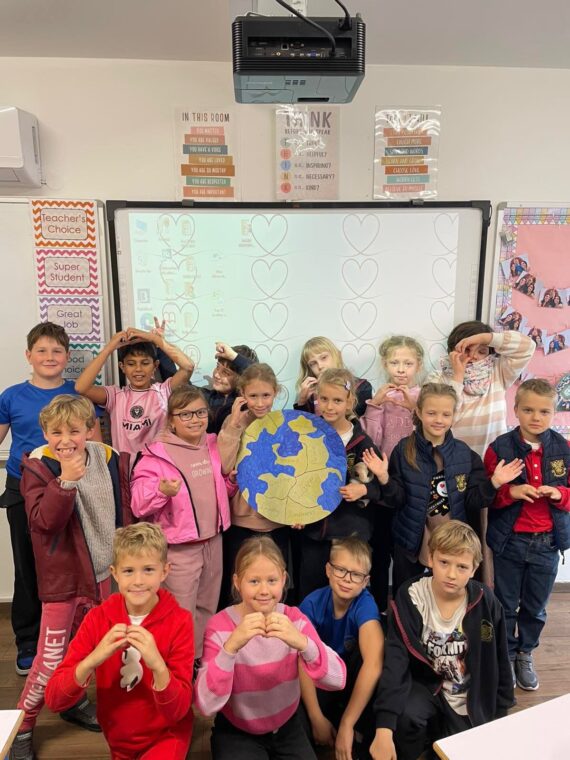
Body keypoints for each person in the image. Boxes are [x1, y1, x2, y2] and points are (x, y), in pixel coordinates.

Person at [10, 395, 131, 760]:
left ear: (89, 430)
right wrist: (64, 482)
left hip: (104, 576)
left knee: (91, 649)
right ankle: (21, 728)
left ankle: (73, 701)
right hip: (64, 582)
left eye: (74, 431)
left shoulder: (107, 457)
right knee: (49, 661)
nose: (66, 440)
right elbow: (43, 522)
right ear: (45, 432)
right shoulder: (39, 466)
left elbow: (122, 511)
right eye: (56, 432)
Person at [0, 322, 103, 677]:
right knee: (28, 566)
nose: (49, 357)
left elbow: (98, 446)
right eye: (41, 350)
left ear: (67, 356)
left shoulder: (81, 394)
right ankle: (29, 641)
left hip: (75, 488)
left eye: (57, 351)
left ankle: (73, 637)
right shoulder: (11, 396)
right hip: (24, 490)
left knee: (71, 566)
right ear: (28, 355)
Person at [45, 523, 194, 760]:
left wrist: (158, 665)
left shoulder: (180, 621)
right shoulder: (97, 619)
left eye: (148, 569)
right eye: (128, 571)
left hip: (167, 734)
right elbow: (54, 699)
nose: (138, 581)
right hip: (118, 737)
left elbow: (179, 709)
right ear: (114, 573)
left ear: (165, 571)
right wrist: (93, 659)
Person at [369, 521, 513, 760]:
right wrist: (384, 726)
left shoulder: (485, 601)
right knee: (407, 718)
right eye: (444, 562)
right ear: (431, 558)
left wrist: (501, 713)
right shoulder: (411, 596)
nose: (451, 574)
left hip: (469, 697)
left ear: (474, 569)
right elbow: (396, 660)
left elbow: (500, 657)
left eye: (462, 566)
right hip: (427, 688)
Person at [362, 383, 523, 596]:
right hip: (412, 543)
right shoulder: (403, 450)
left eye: (446, 414)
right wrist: (384, 477)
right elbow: (396, 500)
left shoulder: (465, 455)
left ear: (454, 416)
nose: (439, 420)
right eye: (431, 413)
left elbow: (473, 502)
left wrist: (494, 482)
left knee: (448, 597)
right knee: (408, 597)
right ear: (419, 412)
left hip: (452, 544)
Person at [194, 536, 346, 760]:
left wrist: (304, 644)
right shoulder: (219, 626)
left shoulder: (294, 619)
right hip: (237, 730)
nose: (264, 590)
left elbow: (338, 679)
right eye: (254, 581)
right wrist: (230, 648)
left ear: (283, 580)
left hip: (286, 726)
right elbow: (206, 705)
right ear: (237, 582)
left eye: (272, 580)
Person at [130, 385, 236, 664]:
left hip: (213, 541)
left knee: (207, 607)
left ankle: (197, 661)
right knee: (180, 613)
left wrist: (231, 482)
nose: (195, 419)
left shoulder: (212, 444)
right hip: (179, 549)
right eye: (185, 414)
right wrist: (160, 491)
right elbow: (138, 505)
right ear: (172, 420)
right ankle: (177, 665)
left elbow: (217, 490)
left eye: (200, 412)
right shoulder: (155, 454)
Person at [427, 320, 535, 585]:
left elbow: (527, 346)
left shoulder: (498, 371)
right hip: (452, 470)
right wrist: (457, 376)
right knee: (453, 537)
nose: (474, 357)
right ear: (454, 350)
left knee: (486, 538)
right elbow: (446, 418)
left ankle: (484, 594)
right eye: (468, 350)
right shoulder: (438, 378)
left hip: (493, 471)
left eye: (482, 351)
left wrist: (487, 337)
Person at [484, 378, 570, 691]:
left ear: (554, 413)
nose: (536, 417)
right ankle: (506, 653)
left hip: (547, 544)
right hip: (510, 542)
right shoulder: (499, 448)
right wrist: (512, 492)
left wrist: (559, 494)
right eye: (529, 410)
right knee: (506, 604)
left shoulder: (564, 449)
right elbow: (488, 494)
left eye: (544, 411)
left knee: (535, 607)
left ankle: (525, 652)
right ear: (516, 409)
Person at [297, 368, 381, 599]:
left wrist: (364, 488)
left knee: (347, 594)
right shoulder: (308, 434)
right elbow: (295, 479)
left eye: (337, 400)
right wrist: (295, 511)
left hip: (349, 534)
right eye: (324, 399)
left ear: (349, 402)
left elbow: (382, 487)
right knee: (311, 593)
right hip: (314, 532)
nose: (329, 406)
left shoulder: (361, 442)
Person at [299, 537, 384, 760]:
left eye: (356, 574)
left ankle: (356, 736)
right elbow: (300, 661)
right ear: (328, 570)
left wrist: (347, 724)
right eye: (340, 570)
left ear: (366, 581)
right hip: (319, 681)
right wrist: (316, 718)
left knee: (376, 667)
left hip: (351, 683)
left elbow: (374, 663)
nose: (347, 579)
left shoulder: (365, 604)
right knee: (299, 717)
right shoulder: (311, 604)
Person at [217, 363, 290, 605]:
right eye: (253, 396)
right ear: (242, 394)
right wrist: (234, 426)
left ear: (275, 393)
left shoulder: (284, 423)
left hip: (276, 520)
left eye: (266, 395)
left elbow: (292, 472)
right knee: (240, 586)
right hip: (241, 520)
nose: (260, 403)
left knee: (275, 586)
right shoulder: (233, 422)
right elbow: (224, 466)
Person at [361, 335, 424, 612]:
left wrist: (413, 409)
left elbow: (429, 434)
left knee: (407, 553)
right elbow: (371, 439)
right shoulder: (382, 397)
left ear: (418, 365)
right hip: (383, 482)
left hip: (413, 483)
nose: (401, 369)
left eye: (408, 363)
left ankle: (406, 609)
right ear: (385, 364)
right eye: (395, 363)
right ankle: (377, 607)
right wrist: (375, 404)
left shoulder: (422, 396)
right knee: (379, 549)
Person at [75, 327, 194, 455]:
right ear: (122, 367)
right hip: (124, 467)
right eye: (131, 364)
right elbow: (81, 387)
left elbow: (188, 366)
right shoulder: (116, 395)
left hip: (158, 466)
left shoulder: (163, 392)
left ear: (155, 365)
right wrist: (109, 348)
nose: (138, 369)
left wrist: (154, 338)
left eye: (145, 363)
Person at [295, 336, 372, 418]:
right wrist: (302, 401)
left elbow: (360, 423)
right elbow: (302, 424)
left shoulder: (362, 387)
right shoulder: (309, 394)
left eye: (324, 357)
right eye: (313, 363)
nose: (320, 366)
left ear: (337, 355)